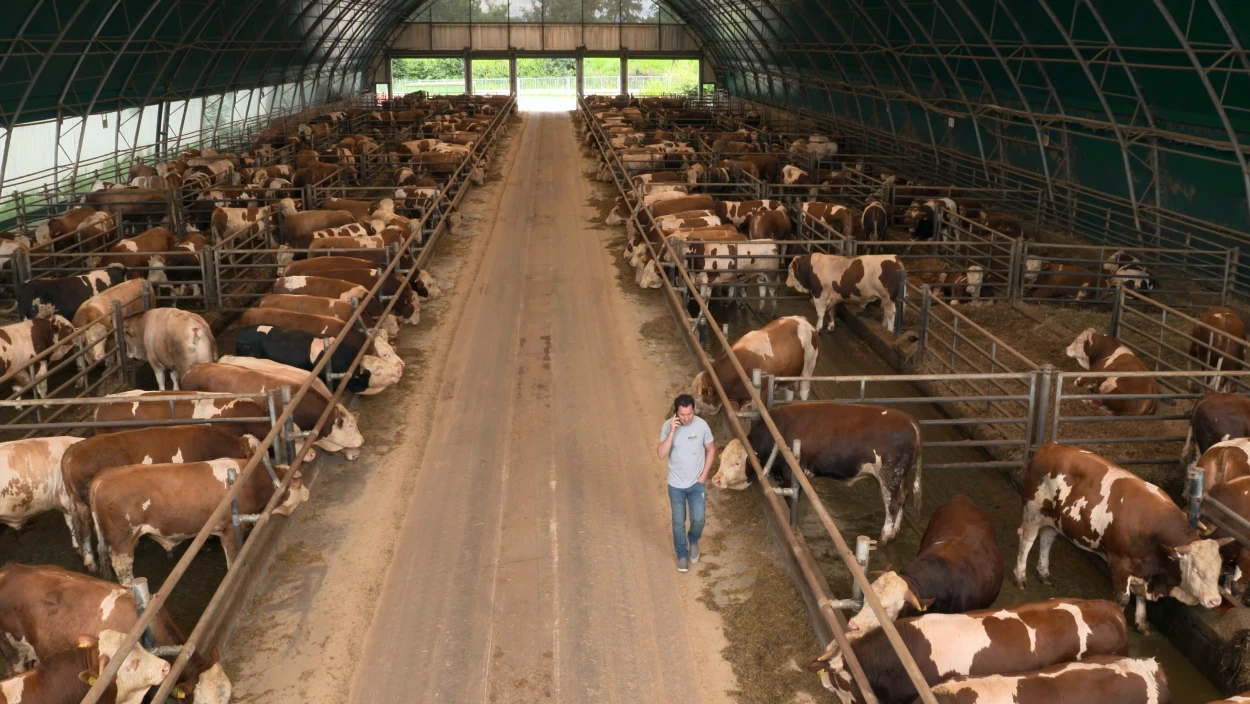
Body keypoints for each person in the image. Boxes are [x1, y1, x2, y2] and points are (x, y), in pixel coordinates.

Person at [656, 393, 716, 573]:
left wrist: (704, 476)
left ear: (693, 410)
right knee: (678, 522)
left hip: (697, 483)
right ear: (676, 413)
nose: (687, 418)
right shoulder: (667, 426)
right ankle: (682, 555)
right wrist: (672, 432)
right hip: (676, 485)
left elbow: (711, 449)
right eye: (682, 415)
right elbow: (661, 454)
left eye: (690, 413)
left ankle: (694, 539)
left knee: (699, 519)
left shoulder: (702, 425)